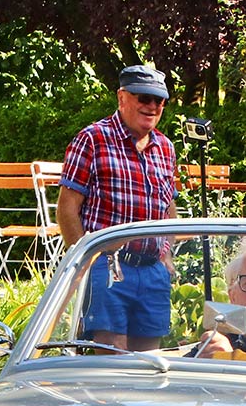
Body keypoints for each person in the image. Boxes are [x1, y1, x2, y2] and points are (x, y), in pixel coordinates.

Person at [57, 65, 179, 352]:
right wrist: (84, 261)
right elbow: (67, 207)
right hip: (108, 265)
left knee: (149, 360)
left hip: (151, 269)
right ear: (122, 97)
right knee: (112, 356)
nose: (151, 106)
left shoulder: (165, 147)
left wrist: (167, 255)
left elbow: (169, 206)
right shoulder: (92, 139)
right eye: (143, 98)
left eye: (158, 100)